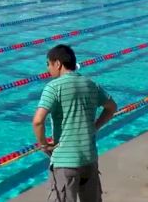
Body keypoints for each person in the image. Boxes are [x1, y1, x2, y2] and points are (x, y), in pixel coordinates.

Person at [32, 44, 117, 202]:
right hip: (89, 158)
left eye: (48, 64)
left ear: (58, 64)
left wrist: (43, 144)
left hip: (65, 162)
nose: (47, 69)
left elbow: (38, 121)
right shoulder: (91, 84)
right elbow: (112, 107)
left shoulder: (53, 87)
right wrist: (96, 127)